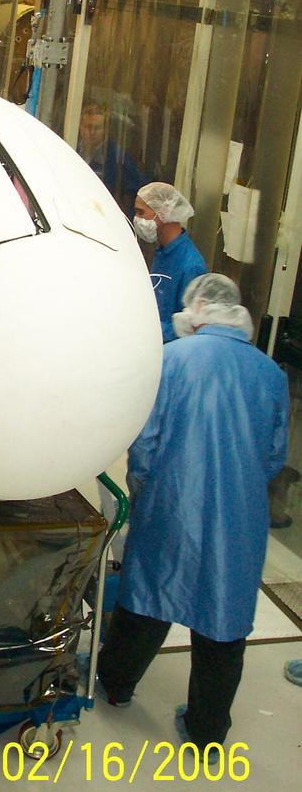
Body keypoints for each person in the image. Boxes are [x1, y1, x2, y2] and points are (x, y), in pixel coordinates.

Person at [96, 274, 289, 756]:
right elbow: (273, 456)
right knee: (223, 620)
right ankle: (206, 731)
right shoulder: (271, 374)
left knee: (147, 597)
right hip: (239, 515)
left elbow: (146, 444)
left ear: (196, 309)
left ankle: (117, 686)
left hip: (172, 502)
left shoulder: (172, 360)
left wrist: (144, 488)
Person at [134, 181, 208, 342]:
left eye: (141, 212)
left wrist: (145, 327)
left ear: (164, 212)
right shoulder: (162, 253)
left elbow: (191, 327)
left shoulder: (190, 266)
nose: (137, 219)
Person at [77, 102, 142, 215]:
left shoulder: (118, 158)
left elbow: (137, 193)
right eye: (88, 126)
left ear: (105, 130)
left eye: (97, 128)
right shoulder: (72, 150)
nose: (92, 132)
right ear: (80, 127)